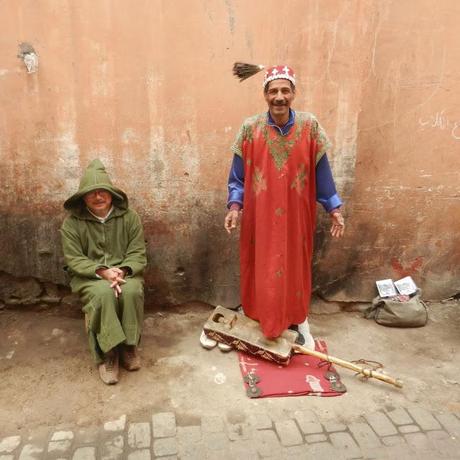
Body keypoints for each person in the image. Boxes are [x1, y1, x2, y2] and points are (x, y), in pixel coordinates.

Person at [223, 64, 345, 350]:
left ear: (294, 94)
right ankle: (257, 314)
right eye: (274, 91)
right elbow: (237, 177)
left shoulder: (310, 126)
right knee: (261, 264)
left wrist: (334, 207)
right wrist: (234, 206)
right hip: (260, 217)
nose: (280, 96)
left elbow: (322, 173)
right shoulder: (249, 128)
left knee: (294, 264)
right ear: (265, 95)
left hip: (296, 217)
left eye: (285, 90)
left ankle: (295, 318)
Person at [60, 159, 147, 384]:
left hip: (124, 274)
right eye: (91, 194)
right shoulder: (72, 224)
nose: (98, 197)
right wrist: (101, 271)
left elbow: (137, 253)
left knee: (131, 291)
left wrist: (124, 272)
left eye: (102, 192)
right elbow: (74, 259)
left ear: (111, 194)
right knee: (103, 294)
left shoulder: (130, 218)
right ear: (83, 198)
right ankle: (108, 354)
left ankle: (128, 347)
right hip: (90, 277)